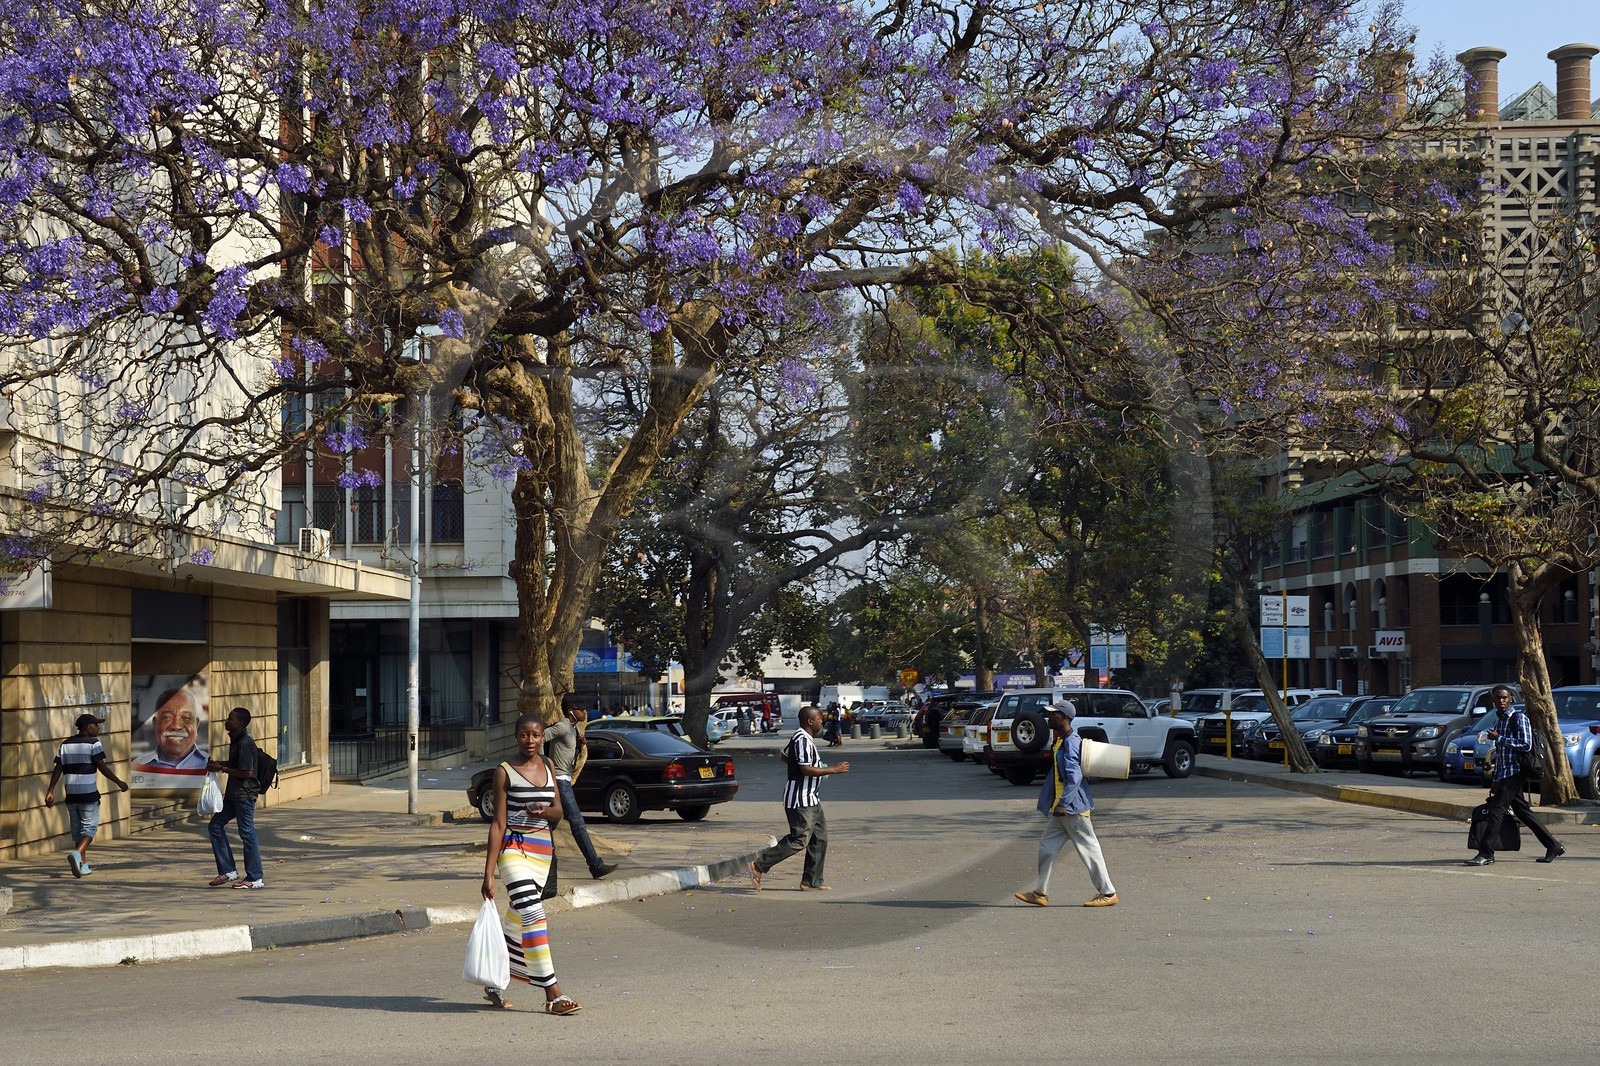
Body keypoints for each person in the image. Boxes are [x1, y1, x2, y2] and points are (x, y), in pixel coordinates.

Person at [481, 713, 582, 1015]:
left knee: (517, 918)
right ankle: (553, 993)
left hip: (542, 851)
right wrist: (488, 873)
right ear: (516, 736)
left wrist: (543, 811)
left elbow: (559, 811)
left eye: (536, 735)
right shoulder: (504, 772)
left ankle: (494, 979)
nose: (530, 740)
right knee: (534, 914)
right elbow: (497, 824)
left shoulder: (549, 766)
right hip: (512, 848)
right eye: (524, 735)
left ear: (542, 737)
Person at [1015, 702, 1118, 908]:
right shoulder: (1062, 741)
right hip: (1060, 809)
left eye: (1052, 715)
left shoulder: (1071, 742)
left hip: (1072, 808)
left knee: (1089, 849)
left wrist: (1064, 803)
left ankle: (1108, 893)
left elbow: (1075, 776)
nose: (1048, 718)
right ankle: (1040, 893)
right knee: (1047, 847)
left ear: (1064, 717)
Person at [749, 706, 849, 891]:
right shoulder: (801, 739)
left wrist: (812, 768)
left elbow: (785, 756)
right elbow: (805, 769)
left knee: (820, 839)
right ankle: (759, 865)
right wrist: (832, 770)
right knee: (799, 839)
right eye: (819, 719)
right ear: (810, 721)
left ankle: (811, 880)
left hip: (812, 798)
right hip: (800, 799)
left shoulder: (803, 738)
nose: (822, 721)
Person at [1465, 685, 1566, 866]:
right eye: (1497, 698)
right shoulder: (1499, 721)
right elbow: (1501, 754)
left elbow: (1526, 745)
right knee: (1523, 812)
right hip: (1505, 773)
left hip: (1516, 772)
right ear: (1493, 700)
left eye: (1505, 697)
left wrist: (1500, 738)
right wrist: (1495, 780)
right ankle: (1554, 846)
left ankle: (1486, 852)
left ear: (1511, 698)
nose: (1501, 701)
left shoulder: (1519, 718)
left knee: (1496, 811)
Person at [44, 713, 129, 877]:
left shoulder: (65, 744)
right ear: (86, 727)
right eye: (95, 724)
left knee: (77, 830)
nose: (98, 727)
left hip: (71, 795)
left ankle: (82, 865)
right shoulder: (94, 743)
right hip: (88, 794)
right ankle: (77, 855)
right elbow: (102, 767)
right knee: (89, 829)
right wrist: (119, 782)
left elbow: (58, 769)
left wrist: (50, 791)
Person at [543, 695, 617, 879]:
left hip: (564, 780)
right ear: (570, 711)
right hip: (559, 781)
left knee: (549, 825)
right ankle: (595, 866)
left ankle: (525, 853)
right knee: (577, 823)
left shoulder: (573, 729)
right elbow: (539, 737)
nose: (585, 712)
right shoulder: (561, 726)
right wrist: (541, 765)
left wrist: (580, 743)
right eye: (581, 709)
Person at [205, 706, 265, 889]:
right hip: (233, 795)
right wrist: (218, 764)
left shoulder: (245, 742)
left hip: (244, 795)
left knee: (247, 833)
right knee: (215, 826)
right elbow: (235, 764)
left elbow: (247, 772)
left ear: (239, 723)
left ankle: (255, 878)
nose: (226, 721)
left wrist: (221, 769)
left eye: (230, 719)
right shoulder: (236, 740)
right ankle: (228, 871)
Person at [134, 686, 208, 771]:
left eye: (186, 718)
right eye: (166, 717)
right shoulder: (138, 768)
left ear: (196, 724)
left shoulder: (209, 765)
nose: (176, 726)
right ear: (155, 723)